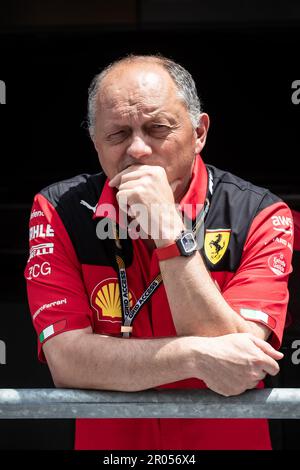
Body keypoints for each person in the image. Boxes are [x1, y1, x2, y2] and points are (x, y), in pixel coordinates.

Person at [24, 54, 294, 450]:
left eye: (157, 128)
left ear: (199, 133)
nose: (138, 150)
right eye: (117, 134)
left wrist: (171, 233)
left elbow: (239, 370)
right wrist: (194, 356)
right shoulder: (57, 209)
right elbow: (67, 362)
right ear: (95, 142)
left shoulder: (262, 214)